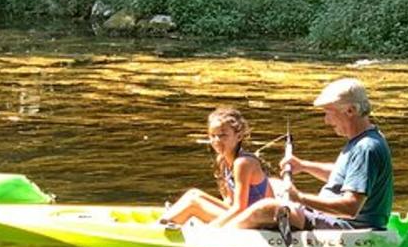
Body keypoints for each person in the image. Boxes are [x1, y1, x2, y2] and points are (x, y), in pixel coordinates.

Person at [225, 77, 393, 231]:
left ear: (350, 111)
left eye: (328, 112)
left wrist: (300, 198)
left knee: (267, 207)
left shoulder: (366, 148)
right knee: (273, 184)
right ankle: (240, 223)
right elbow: (346, 175)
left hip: (346, 226)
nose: (326, 121)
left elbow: (350, 208)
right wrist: (304, 166)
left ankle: (222, 236)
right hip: (329, 217)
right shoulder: (365, 139)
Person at [159, 107, 273, 226]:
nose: (216, 140)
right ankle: (163, 223)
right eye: (212, 135)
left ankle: (160, 230)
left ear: (239, 136)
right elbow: (229, 202)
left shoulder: (243, 163)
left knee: (194, 204)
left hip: (258, 224)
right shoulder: (223, 160)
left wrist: (212, 228)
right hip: (243, 217)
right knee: (194, 194)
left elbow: (240, 208)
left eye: (223, 135)